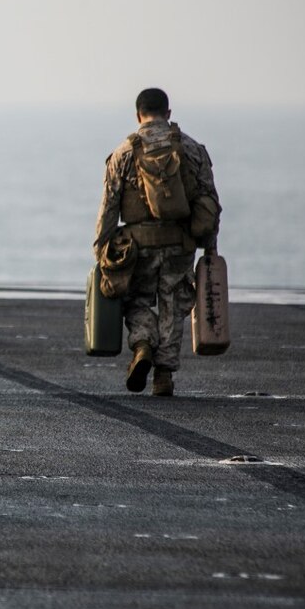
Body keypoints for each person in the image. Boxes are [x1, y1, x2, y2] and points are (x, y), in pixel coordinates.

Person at [94, 88, 221, 397]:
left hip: (138, 245)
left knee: (135, 300)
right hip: (180, 243)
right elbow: (209, 202)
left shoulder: (124, 153)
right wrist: (210, 248)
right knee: (173, 305)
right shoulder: (191, 149)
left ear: (138, 115)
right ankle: (163, 376)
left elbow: (109, 207)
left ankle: (142, 346)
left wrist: (101, 252)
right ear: (168, 113)